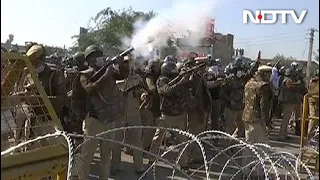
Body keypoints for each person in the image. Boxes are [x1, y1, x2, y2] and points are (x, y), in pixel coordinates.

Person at [76, 45, 129, 180]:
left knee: (106, 155)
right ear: (89, 60)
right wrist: (106, 75)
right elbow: (90, 89)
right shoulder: (85, 74)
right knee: (87, 155)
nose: (98, 58)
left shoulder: (108, 70)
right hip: (94, 120)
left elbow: (124, 74)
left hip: (109, 118)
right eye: (94, 56)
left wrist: (122, 63)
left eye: (99, 55)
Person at [148, 60, 194, 172]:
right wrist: (181, 82)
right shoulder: (161, 81)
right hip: (167, 115)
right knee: (157, 139)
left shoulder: (179, 79)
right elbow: (168, 91)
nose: (175, 71)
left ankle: (184, 165)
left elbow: (188, 89)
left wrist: (189, 78)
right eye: (172, 69)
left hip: (179, 115)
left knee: (182, 141)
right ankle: (151, 160)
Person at [111, 55, 145, 175]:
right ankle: (115, 166)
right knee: (116, 141)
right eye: (125, 62)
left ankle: (139, 167)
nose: (127, 64)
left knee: (137, 141)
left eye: (129, 62)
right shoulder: (114, 77)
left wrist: (143, 95)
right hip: (118, 113)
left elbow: (142, 90)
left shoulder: (137, 77)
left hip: (133, 113)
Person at [242, 65, 273, 178]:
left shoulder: (249, 83)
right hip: (258, 119)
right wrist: (267, 123)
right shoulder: (264, 86)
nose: (270, 77)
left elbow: (244, 100)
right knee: (261, 147)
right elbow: (263, 107)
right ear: (265, 74)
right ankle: (259, 173)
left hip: (247, 117)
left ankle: (245, 172)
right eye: (269, 74)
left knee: (249, 146)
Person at [278, 68, 306, 140]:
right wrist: (299, 83)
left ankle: (284, 134)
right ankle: (281, 135)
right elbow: (291, 86)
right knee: (285, 119)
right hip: (288, 102)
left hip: (291, 101)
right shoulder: (287, 80)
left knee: (287, 119)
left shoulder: (288, 80)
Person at [307, 69, 319, 138]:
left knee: (314, 118)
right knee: (313, 118)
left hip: (314, 100)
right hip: (314, 101)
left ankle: (312, 133)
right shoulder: (315, 82)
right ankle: (310, 134)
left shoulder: (312, 80)